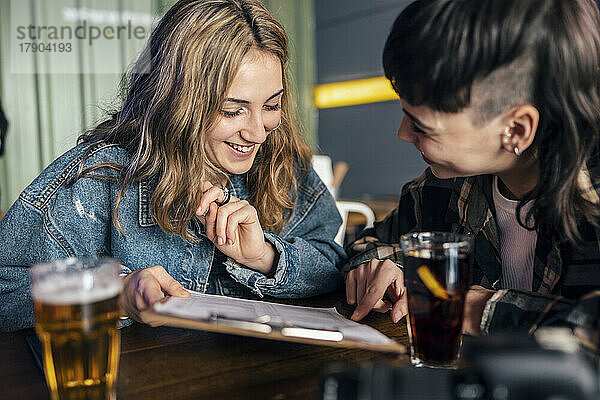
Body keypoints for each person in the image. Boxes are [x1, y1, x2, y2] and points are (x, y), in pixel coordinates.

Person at [0, 0, 345, 332]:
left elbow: (332, 262)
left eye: (271, 105)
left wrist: (265, 256)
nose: (258, 132)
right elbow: (6, 291)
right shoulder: (101, 178)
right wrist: (115, 295)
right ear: (178, 102)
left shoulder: (283, 164)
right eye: (232, 110)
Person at [345, 0, 600, 342]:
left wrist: (475, 309)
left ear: (517, 129)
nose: (403, 134)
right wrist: (386, 268)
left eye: (422, 126)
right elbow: (369, 245)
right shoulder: (443, 189)